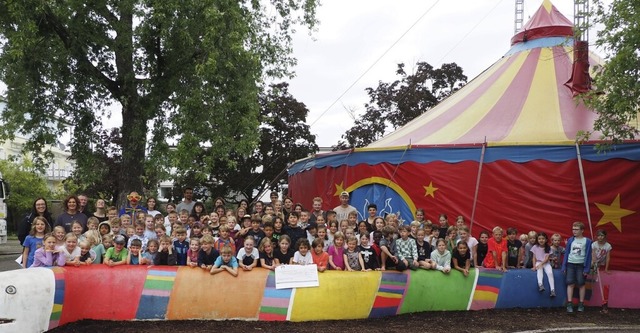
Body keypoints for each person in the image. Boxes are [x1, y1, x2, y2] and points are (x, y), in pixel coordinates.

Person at [562, 221, 593, 313]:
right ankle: (570, 303)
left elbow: (588, 255)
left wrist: (587, 268)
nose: (574, 231)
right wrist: (564, 266)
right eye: (573, 229)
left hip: (581, 265)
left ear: (582, 230)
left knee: (581, 283)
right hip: (570, 264)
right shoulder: (571, 240)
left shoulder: (587, 241)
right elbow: (567, 253)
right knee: (570, 283)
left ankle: (581, 303)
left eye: (576, 229)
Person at [531, 232, 555, 297]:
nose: (541, 240)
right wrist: (534, 266)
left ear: (546, 240)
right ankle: (540, 285)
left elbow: (547, 258)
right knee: (539, 271)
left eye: (543, 239)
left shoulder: (548, 247)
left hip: (546, 263)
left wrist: (541, 264)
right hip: (538, 262)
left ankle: (552, 290)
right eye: (539, 239)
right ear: (537, 240)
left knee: (550, 273)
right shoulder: (535, 247)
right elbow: (534, 258)